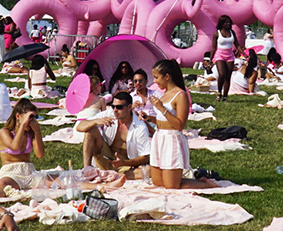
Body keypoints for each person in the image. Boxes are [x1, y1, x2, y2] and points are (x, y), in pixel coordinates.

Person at [148, 59, 215, 189]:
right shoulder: (164, 93)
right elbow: (162, 120)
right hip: (159, 137)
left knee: (171, 186)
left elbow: (179, 125)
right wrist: (148, 118)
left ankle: (206, 184)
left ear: (167, 77)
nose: (154, 81)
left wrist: (161, 108)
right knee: (157, 182)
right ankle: (186, 178)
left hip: (171, 139)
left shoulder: (180, 95)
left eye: (156, 77)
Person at [77, 90, 151, 177]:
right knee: (90, 130)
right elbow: (80, 127)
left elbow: (145, 158)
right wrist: (96, 121)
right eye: (113, 106)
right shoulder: (109, 114)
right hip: (105, 158)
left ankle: (114, 175)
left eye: (119, 107)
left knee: (149, 171)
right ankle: (87, 170)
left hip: (126, 165)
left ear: (130, 107)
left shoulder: (140, 127)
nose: (115, 110)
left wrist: (123, 163)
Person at [0, 99, 46, 200]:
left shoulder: (31, 132)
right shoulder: (5, 132)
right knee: (3, 185)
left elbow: (40, 155)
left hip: (29, 171)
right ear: (18, 116)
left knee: (56, 181)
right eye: (29, 117)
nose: (31, 121)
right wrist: (22, 125)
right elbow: (15, 146)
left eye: (34, 117)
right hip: (11, 172)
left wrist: (37, 131)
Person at [210, 15, 242, 102]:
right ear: (221, 23)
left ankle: (225, 97)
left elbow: (237, 45)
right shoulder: (217, 33)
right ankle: (219, 93)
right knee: (222, 74)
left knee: (228, 77)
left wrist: (244, 54)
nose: (228, 24)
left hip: (230, 56)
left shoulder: (232, 32)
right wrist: (210, 59)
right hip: (219, 55)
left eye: (229, 22)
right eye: (225, 22)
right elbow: (213, 47)